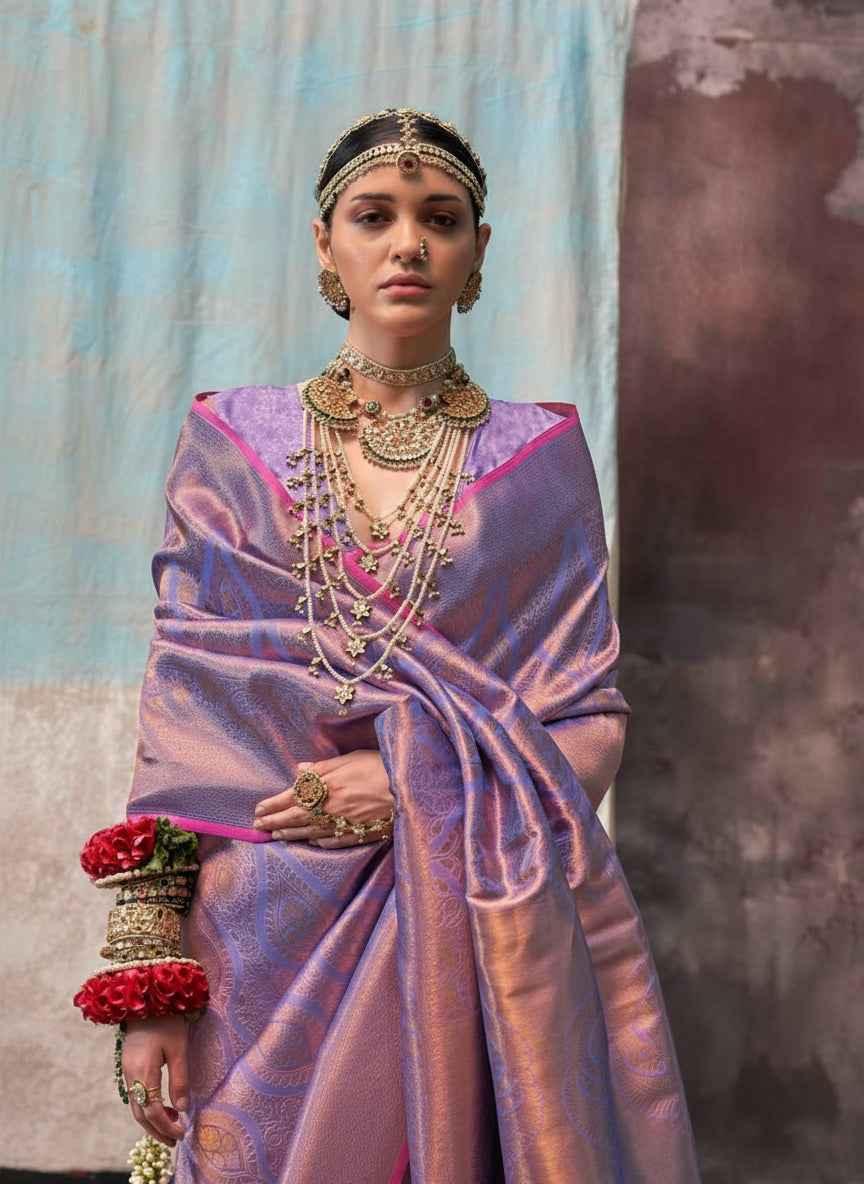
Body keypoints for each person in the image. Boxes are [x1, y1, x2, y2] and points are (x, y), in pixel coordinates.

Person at [79, 106, 701, 1182]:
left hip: (467, 932)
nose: (408, 242)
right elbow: (180, 721)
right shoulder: (235, 442)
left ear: (477, 256)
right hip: (259, 934)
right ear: (329, 246)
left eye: (440, 218)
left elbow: (588, 720)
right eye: (375, 215)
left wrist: (410, 785)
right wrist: (154, 984)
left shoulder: (539, 460)